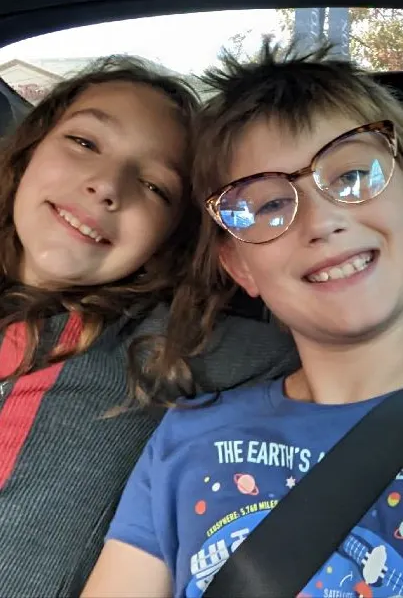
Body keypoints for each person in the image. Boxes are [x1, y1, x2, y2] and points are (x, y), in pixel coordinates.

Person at [83, 42, 403, 598]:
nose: (322, 221)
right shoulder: (189, 436)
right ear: (240, 268)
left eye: (353, 175)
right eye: (270, 206)